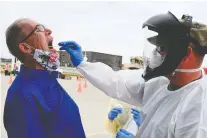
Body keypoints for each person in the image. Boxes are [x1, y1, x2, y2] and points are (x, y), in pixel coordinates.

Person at [59, 12, 207, 138]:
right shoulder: (159, 82)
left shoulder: (198, 106)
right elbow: (118, 83)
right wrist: (83, 64)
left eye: (162, 48)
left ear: (186, 54)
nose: (156, 53)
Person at [4, 18, 86, 138]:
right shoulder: (21, 96)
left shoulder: (49, 80)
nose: (49, 31)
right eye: (39, 29)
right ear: (26, 48)